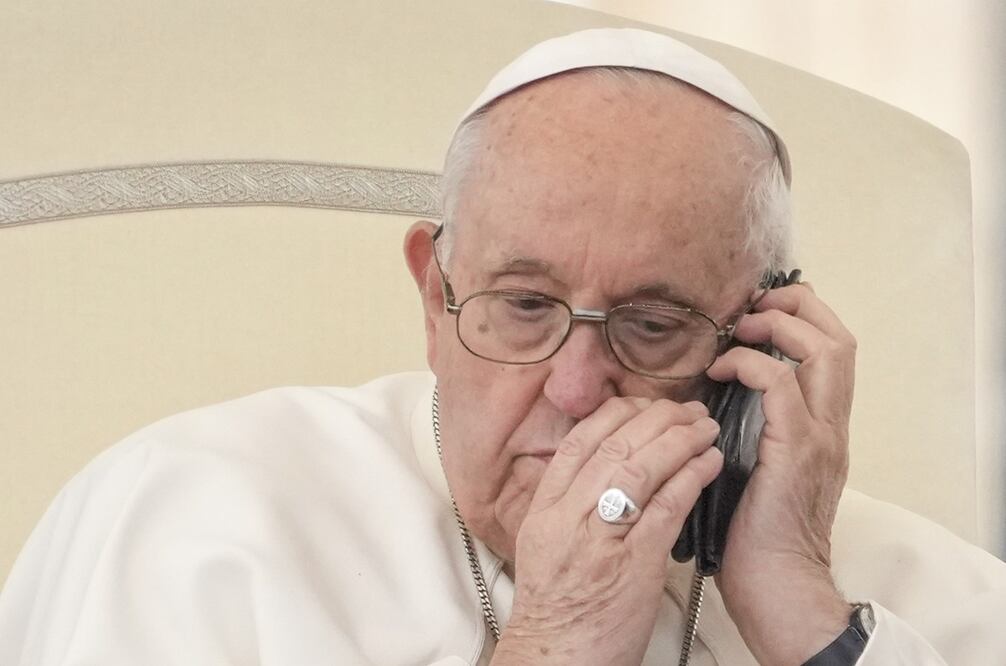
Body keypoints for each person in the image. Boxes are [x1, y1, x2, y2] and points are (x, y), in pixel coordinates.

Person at [1, 27, 1004, 666]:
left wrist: (806, 617)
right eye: (524, 306)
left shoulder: (930, 594)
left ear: (758, 349)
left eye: (651, 325)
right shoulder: (198, 518)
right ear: (435, 300)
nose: (573, 386)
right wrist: (555, 644)